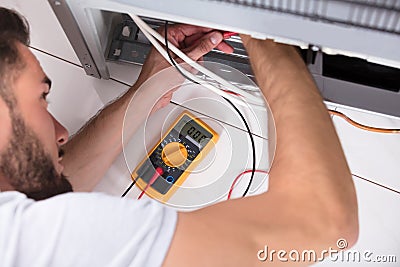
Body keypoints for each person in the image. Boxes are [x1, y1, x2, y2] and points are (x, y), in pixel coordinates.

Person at [0, 7, 358, 267]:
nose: (61, 134)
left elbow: (40, 192)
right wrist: (260, 26)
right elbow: (325, 221)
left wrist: (150, 87)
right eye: (41, 98)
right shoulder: (31, 239)